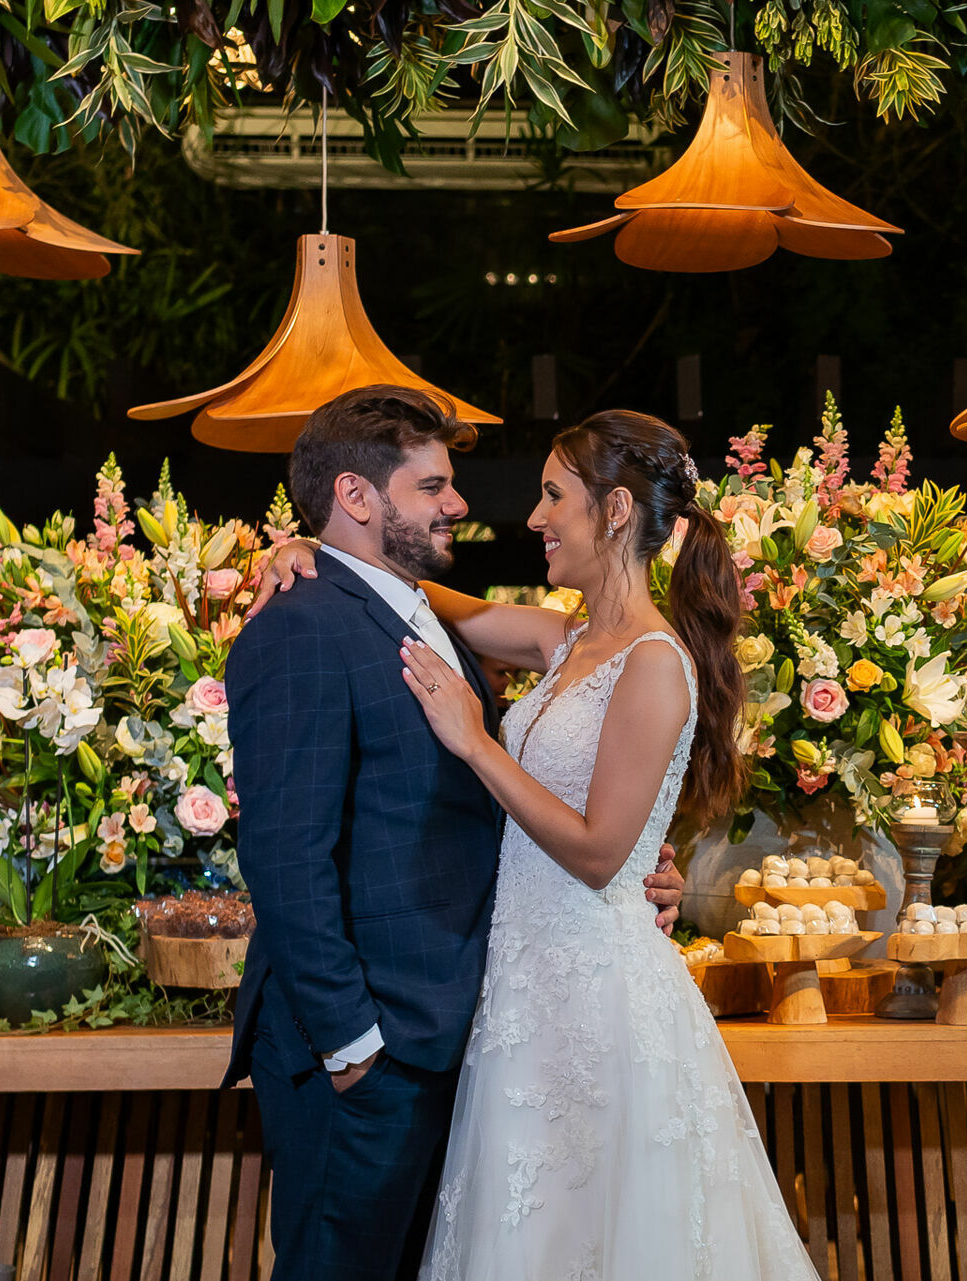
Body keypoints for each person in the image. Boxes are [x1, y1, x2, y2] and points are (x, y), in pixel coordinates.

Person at [254, 404, 821, 1279]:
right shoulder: (563, 639)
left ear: (617, 512)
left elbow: (600, 852)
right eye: (435, 486)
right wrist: (309, 551)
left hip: (592, 992)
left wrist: (478, 742)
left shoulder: (655, 661)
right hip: (508, 997)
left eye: (553, 496)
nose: (532, 516)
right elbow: (421, 598)